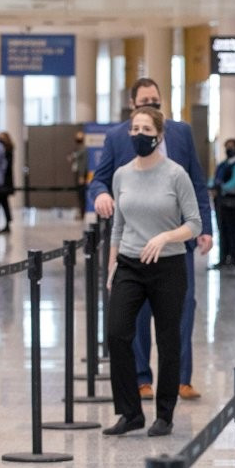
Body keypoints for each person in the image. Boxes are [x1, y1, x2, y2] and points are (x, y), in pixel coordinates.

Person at [89, 78, 213, 400]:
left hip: (176, 245)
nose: (150, 106)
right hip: (134, 245)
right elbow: (100, 180)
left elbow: (197, 184)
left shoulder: (181, 133)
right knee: (137, 316)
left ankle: (181, 379)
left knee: (181, 313)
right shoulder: (118, 138)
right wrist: (101, 196)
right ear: (132, 105)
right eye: (144, 100)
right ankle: (142, 378)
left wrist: (205, 229)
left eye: (155, 101)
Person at [102, 105, 201, 437]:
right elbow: (117, 226)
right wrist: (111, 267)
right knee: (117, 333)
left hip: (169, 265)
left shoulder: (176, 175)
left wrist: (166, 236)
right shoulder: (122, 175)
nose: (139, 135)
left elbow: (194, 223)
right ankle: (130, 412)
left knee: (168, 339)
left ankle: (164, 414)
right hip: (130, 263)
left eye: (146, 130)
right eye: (135, 129)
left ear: (159, 135)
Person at [209, 137, 235, 269]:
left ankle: (233, 257)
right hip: (220, 202)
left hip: (232, 202)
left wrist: (221, 188)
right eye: (227, 146)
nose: (229, 149)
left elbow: (234, 182)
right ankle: (224, 257)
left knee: (233, 229)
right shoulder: (223, 164)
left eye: (232, 147)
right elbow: (214, 179)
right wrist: (211, 186)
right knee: (222, 229)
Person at [0, 130, 16, 231]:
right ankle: (7, 221)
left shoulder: (8, 151)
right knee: (3, 202)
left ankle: (8, 221)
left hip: (5, 181)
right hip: (2, 180)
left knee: (4, 202)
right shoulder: (4, 151)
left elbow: (7, 166)